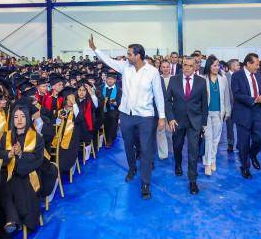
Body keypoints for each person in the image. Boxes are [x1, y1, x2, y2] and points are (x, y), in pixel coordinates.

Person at [89, 35, 166, 200]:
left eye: (129, 54)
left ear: (138, 56)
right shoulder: (125, 67)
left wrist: (162, 117)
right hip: (126, 115)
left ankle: (145, 184)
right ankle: (132, 168)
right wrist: (95, 49)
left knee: (146, 150)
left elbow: (158, 95)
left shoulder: (152, 72)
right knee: (128, 145)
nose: (127, 57)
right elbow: (108, 60)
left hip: (145, 116)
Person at [0, 103, 45, 235]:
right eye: (16, 117)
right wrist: (10, 154)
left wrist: (21, 154)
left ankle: (12, 219)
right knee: (3, 183)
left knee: (14, 183)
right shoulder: (6, 136)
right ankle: (13, 218)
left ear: (28, 118)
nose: (19, 120)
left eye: (23, 116)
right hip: (8, 173)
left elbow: (38, 159)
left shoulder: (37, 138)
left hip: (29, 174)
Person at [164, 57, 208, 194]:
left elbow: (204, 103)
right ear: (182, 66)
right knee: (177, 146)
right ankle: (178, 163)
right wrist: (170, 119)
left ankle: (193, 180)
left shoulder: (201, 82)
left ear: (195, 67)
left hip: (195, 121)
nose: (187, 68)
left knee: (193, 150)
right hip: (177, 121)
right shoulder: (174, 80)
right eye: (185, 65)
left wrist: (204, 123)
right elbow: (167, 102)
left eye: (190, 66)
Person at [231, 53, 261, 179]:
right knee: (244, 141)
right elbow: (237, 94)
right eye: (256, 65)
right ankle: (245, 167)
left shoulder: (258, 74)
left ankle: (252, 154)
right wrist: (255, 99)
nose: (258, 67)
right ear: (248, 64)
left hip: (257, 109)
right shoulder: (237, 76)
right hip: (243, 110)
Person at [202, 56, 230, 176]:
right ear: (209, 66)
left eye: (218, 65)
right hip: (206, 113)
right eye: (214, 65)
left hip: (219, 113)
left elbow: (227, 96)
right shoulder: (202, 79)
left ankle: (213, 159)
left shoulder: (223, 79)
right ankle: (207, 164)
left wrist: (227, 111)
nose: (217, 68)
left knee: (216, 139)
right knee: (208, 138)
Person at [101, 72, 121, 149]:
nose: (110, 80)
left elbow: (120, 102)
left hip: (113, 109)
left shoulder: (118, 90)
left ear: (115, 80)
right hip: (102, 109)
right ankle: (101, 138)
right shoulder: (100, 88)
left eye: (112, 79)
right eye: (108, 79)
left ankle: (110, 139)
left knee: (112, 117)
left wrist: (115, 103)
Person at [225, 59, 240, 153]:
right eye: (238, 65)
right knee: (229, 126)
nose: (239, 67)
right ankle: (230, 143)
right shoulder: (224, 77)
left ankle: (240, 143)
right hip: (229, 105)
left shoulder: (241, 76)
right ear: (232, 66)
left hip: (239, 105)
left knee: (240, 125)